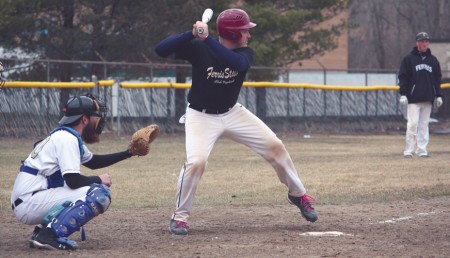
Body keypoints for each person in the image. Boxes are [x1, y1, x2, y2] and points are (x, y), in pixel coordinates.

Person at [155, 8, 318, 235]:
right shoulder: (200, 47)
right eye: (244, 31)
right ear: (232, 34)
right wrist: (190, 34)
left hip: (233, 113)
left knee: (275, 146)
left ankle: (298, 195)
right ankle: (180, 217)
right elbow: (160, 49)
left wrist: (207, 39)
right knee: (197, 162)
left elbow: (236, 64)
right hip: (201, 116)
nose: (248, 35)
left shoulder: (244, 53)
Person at [11, 94, 136, 250]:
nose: (99, 121)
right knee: (98, 193)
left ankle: (43, 231)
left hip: (30, 196)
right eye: (96, 116)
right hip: (30, 200)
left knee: (91, 190)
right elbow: (73, 181)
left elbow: (94, 162)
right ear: (84, 119)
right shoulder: (66, 139)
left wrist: (129, 153)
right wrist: (98, 179)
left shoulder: (65, 135)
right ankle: (48, 236)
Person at [398, 32, 443, 158]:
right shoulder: (408, 59)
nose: (424, 43)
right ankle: (409, 150)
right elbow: (403, 77)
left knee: (424, 125)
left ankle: (422, 150)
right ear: (417, 42)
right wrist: (403, 93)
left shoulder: (433, 60)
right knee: (412, 124)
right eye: (421, 41)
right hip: (413, 98)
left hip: (428, 98)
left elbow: (437, 79)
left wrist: (438, 95)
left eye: (426, 41)